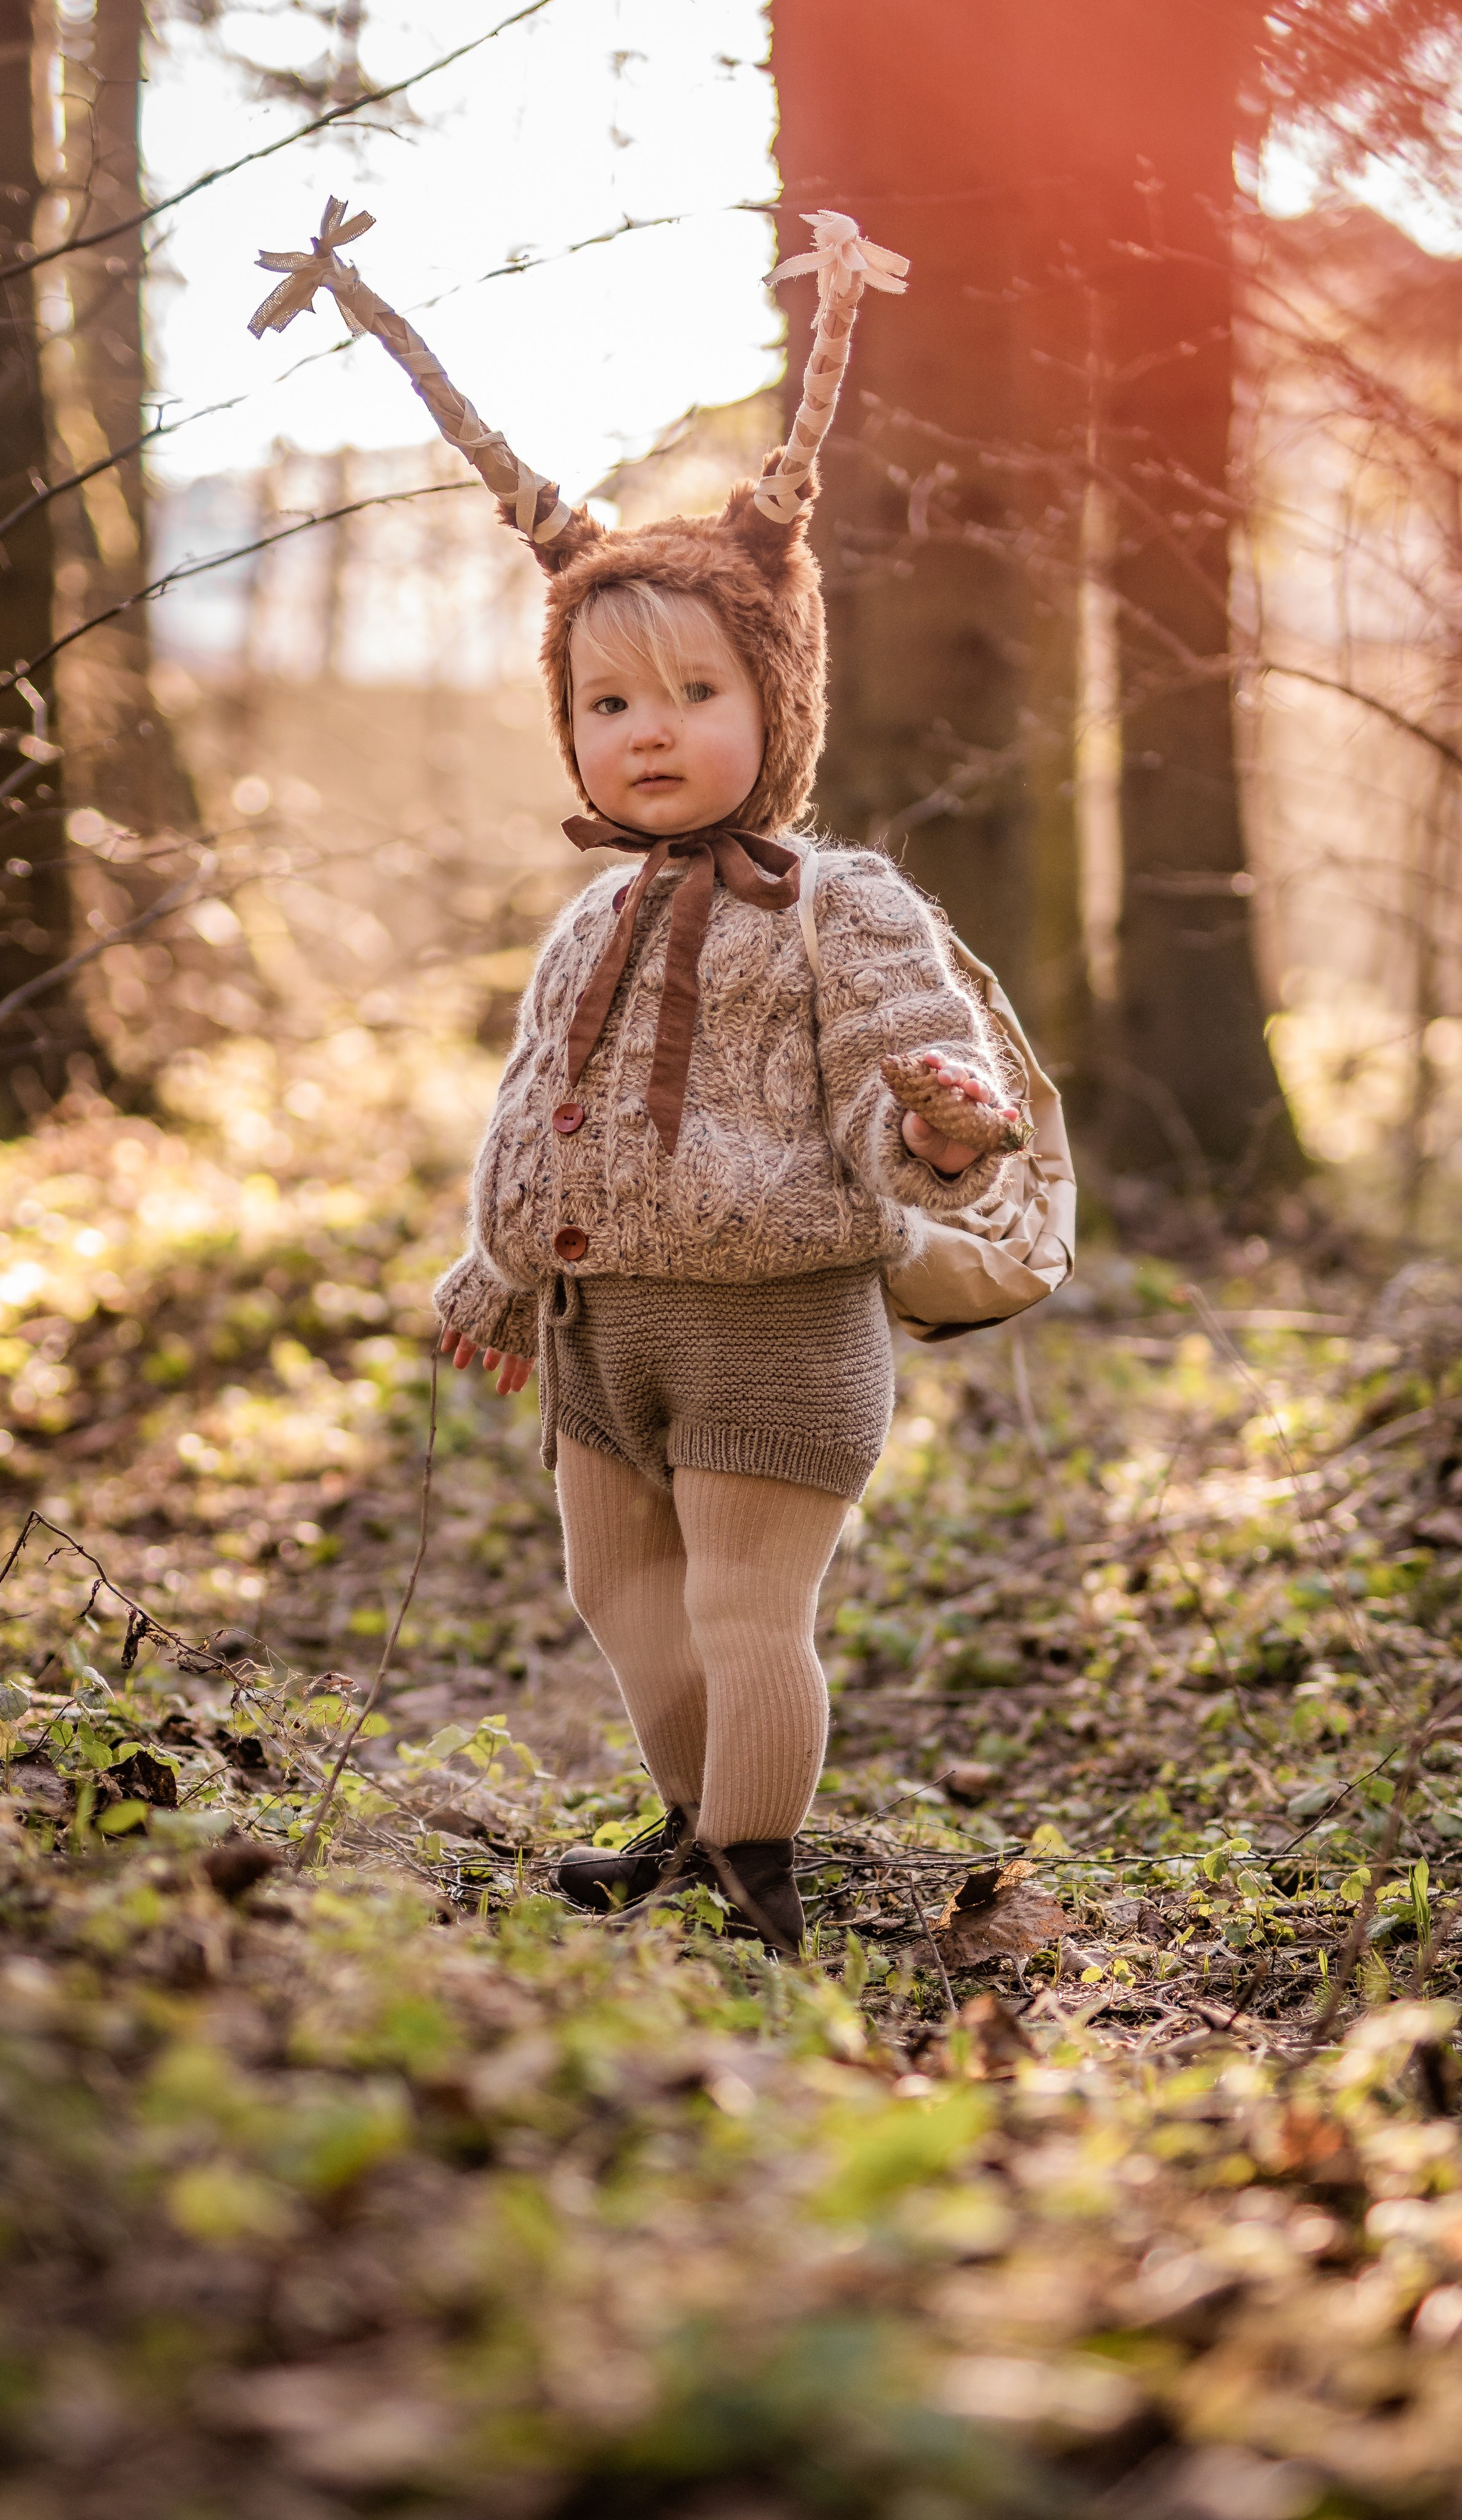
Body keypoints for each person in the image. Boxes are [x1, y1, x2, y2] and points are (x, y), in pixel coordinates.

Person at [248, 203, 1029, 1954]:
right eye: (610, 703)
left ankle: (761, 1876)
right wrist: (495, 1265)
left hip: (773, 1314)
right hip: (607, 1330)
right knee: (620, 1587)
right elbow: (539, 1105)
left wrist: (939, 1114)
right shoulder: (592, 913)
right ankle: (694, 1821)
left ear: (781, 698)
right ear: (572, 730)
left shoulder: (842, 900)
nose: (652, 728)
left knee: (753, 1603)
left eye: (695, 688)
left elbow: (917, 1046)